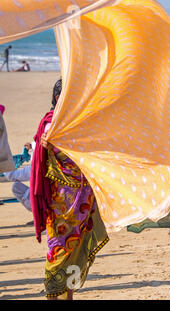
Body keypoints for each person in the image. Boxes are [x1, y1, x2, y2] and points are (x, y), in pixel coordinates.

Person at [30, 79, 109, 299]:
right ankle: (53, 295)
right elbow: (40, 158)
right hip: (61, 202)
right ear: (58, 98)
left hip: (83, 200)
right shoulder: (50, 125)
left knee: (76, 250)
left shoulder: (79, 123)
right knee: (58, 248)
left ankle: (69, 296)